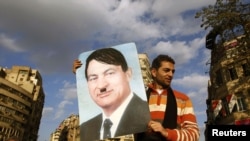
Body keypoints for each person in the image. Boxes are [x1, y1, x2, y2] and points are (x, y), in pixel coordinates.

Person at [73, 54, 200, 141]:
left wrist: (167, 133)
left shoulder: (182, 99)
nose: (170, 74)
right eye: (166, 70)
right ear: (154, 72)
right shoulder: (138, 97)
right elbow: (106, 93)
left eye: (173, 71)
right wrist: (79, 74)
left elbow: (194, 134)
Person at [75, 48, 150, 141]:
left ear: (128, 74)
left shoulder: (147, 114)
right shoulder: (87, 127)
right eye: (93, 78)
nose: (101, 85)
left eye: (110, 73)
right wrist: (77, 73)